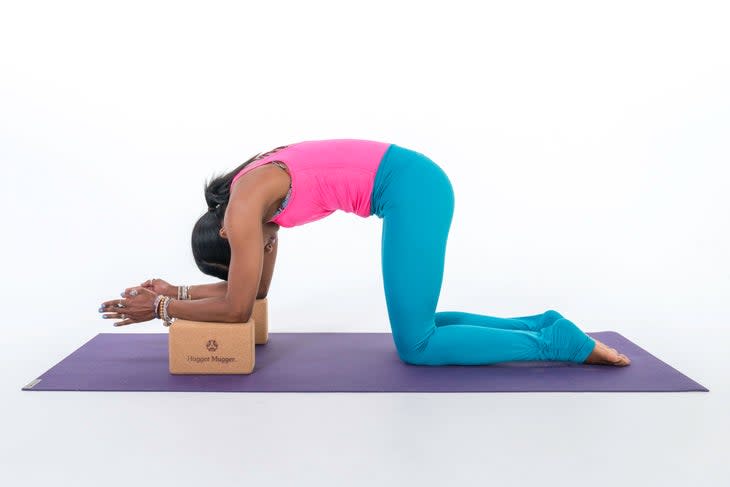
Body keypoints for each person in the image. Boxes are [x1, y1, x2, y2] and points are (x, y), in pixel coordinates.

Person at [99, 139, 630, 367]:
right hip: (412, 182)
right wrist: (178, 292)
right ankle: (543, 324)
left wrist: (162, 310)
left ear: (232, 237)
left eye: (241, 253)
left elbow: (238, 307)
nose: (254, 253)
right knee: (425, 323)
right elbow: (253, 291)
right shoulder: (251, 200)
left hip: (411, 191)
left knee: (417, 346)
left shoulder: (245, 211)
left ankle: (556, 346)